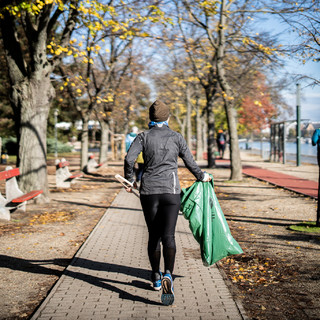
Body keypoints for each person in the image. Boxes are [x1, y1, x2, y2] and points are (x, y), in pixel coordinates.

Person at [124, 100, 211, 306]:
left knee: (154, 235)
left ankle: (155, 276)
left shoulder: (143, 137)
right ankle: (168, 275)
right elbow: (190, 161)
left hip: (149, 191)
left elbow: (129, 160)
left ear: (150, 119)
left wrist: (130, 181)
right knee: (169, 236)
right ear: (168, 118)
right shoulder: (176, 137)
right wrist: (202, 176)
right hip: (171, 192)